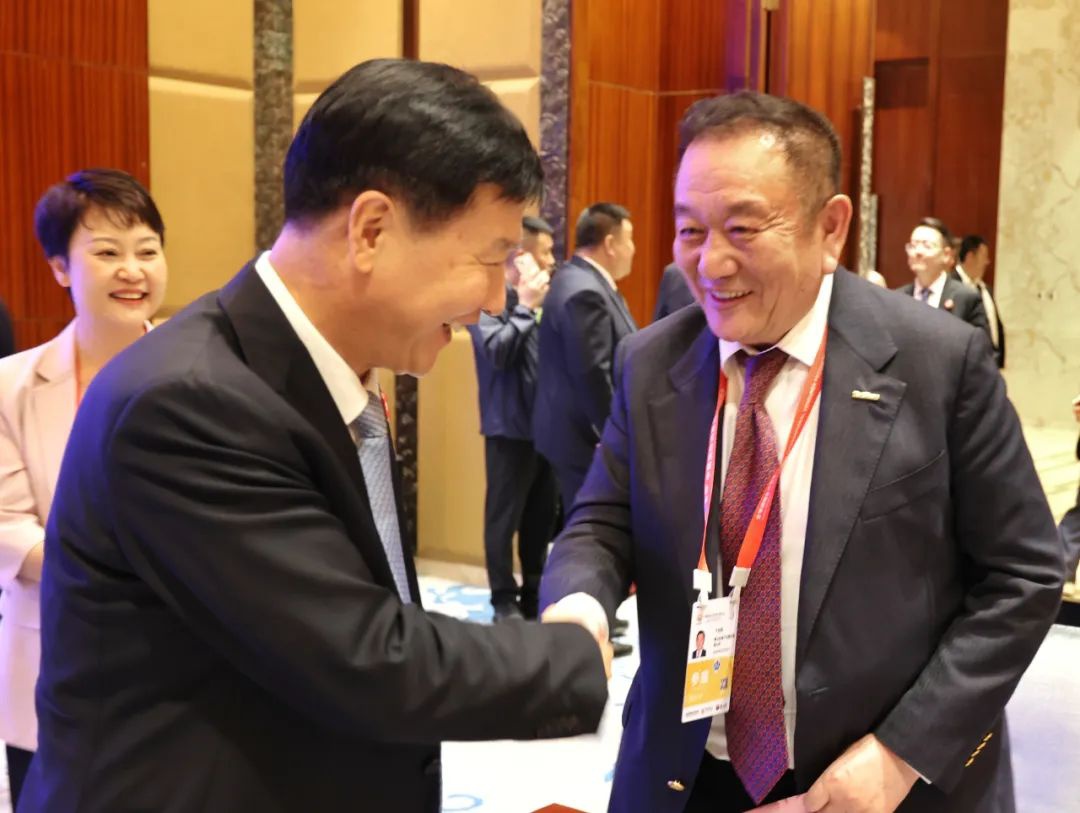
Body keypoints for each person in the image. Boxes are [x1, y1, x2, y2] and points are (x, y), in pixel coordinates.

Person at [23, 60, 610, 813]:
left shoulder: (324, 378)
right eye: (491, 258)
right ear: (371, 230)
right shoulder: (188, 402)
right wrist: (572, 655)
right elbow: (365, 656)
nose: (498, 299)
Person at [541, 91, 1063, 812]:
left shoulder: (938, 363)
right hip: (686, 773)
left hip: (875, 783)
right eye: (690, 230)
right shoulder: (652, 362)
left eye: (743, 228)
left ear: (831, 227)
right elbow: (601, 520)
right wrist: (579, 606)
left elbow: (1023, 574)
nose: (710, 262)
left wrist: (903, 753)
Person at [0, 169, 168, 810]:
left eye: (147, 250)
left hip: (175, 662)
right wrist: (116, 573)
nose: (133, 270)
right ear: (59, 268)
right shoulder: (11, 385)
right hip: (53, 659)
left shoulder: (207, 376)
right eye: (107, 252)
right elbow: (8, 526)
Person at [467, 217, 558, 621]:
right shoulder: (489, 299)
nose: (551, 261)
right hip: (507, 428)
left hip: (546, 429)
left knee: (541, 517)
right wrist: (525, 308)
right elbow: (497, 351)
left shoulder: (546, 300)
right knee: (502, 520)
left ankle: (535, 594)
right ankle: (502, 599)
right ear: (521, 256)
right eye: (546, 252)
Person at [534, 202, 637, 513]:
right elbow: (593, 374)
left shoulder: (574, 276)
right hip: (582, 440)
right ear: (610, 244)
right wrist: (616, 436)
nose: (633, 249)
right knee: (587, 523)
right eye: (630, 240)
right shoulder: (585, 291)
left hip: (567, 433)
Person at [897, 218, 989, 335]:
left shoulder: (966, 298)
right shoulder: (897, 298)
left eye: (926, 245)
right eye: (913, 245)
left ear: (946, 255)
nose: (918, 252)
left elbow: (980, 343)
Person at [956, 235, 1005, 368]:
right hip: (964, 365)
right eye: (984, 257)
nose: (987, 262)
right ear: (970, 257)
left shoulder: (985, 289)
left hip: (989, 363)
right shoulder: (952, 287)